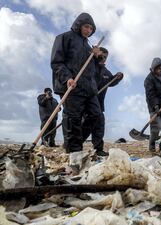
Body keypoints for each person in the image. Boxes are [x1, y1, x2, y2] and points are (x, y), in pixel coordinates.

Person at [51, 12, 102, 173]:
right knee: (73, 119)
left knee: (96, 115)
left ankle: (75, 142)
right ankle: (74, 155)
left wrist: (97, 57)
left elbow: (94, 70)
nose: (88, 30)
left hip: (88, 88)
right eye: (86, 26)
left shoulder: (88, 47)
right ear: (79, 24)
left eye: (91, 28)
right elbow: (56, 62)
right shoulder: (64, 38)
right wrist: (67, 77)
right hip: (71, 85)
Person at [82, 47, 123, 156]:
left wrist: (118, 77)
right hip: (86, 101)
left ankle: (98, 148)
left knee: (100, 123)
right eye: (102, 56)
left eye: (105, 57)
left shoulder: (106, 72)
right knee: (85, 124)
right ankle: (76, 143)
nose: (103, 58)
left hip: (99, 103)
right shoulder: (90, 66)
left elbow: (111, 82)